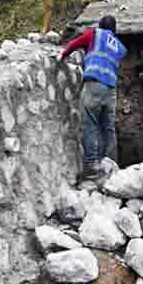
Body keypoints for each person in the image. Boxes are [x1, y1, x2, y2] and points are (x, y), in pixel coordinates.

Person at [60, 15, 128, 180]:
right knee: (108, 127)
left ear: (101, 26)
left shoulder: (95, 34)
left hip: (95, 84)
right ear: (114, 29)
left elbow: (75, 44)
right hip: (111, 89)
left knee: (90, 123)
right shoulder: (120, 47)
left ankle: (91, 165)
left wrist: (62, 56)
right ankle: (111, 164)